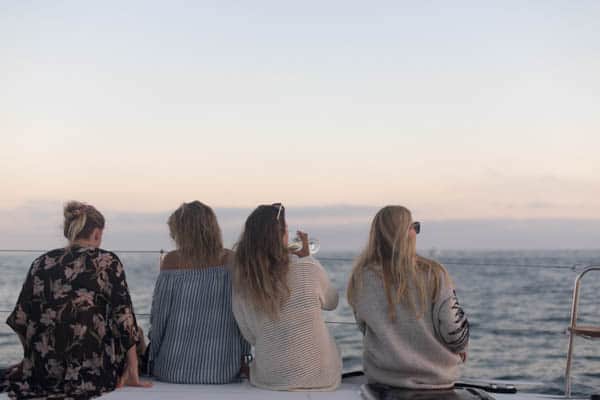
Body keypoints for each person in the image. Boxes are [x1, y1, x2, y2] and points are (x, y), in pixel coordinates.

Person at [2, 201, 151, 400]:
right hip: (92, 372)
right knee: (137, 334)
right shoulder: (107, 262)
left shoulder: (41, 262)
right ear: (97, 233)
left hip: (44, 371)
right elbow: (124, 320)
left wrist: (31, 360)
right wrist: (133, 372)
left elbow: (20, 319)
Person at [347, 205, 469, 390]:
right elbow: (453, 331)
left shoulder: (361, 276)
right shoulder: (433, 273)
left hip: (382, 379)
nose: (416, 232)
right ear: (405, 234)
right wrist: (461, 347)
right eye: (414, 227)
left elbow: (363, 326)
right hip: (436, 381)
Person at [231, 203, 341, 391]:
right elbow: (332, 302)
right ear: (281, 237)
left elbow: (249, 335)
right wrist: (308, 259)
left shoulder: (243, 280)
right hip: (322, 378)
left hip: (272, 378)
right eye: (286, 231)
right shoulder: (307, 267)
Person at [148, 201, 250, 384]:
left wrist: (152, 357)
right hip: (222, 370)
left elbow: (159, 317)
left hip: (172, 369)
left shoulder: (172, 261)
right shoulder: (232, 260)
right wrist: (244, 357)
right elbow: (242, 317)